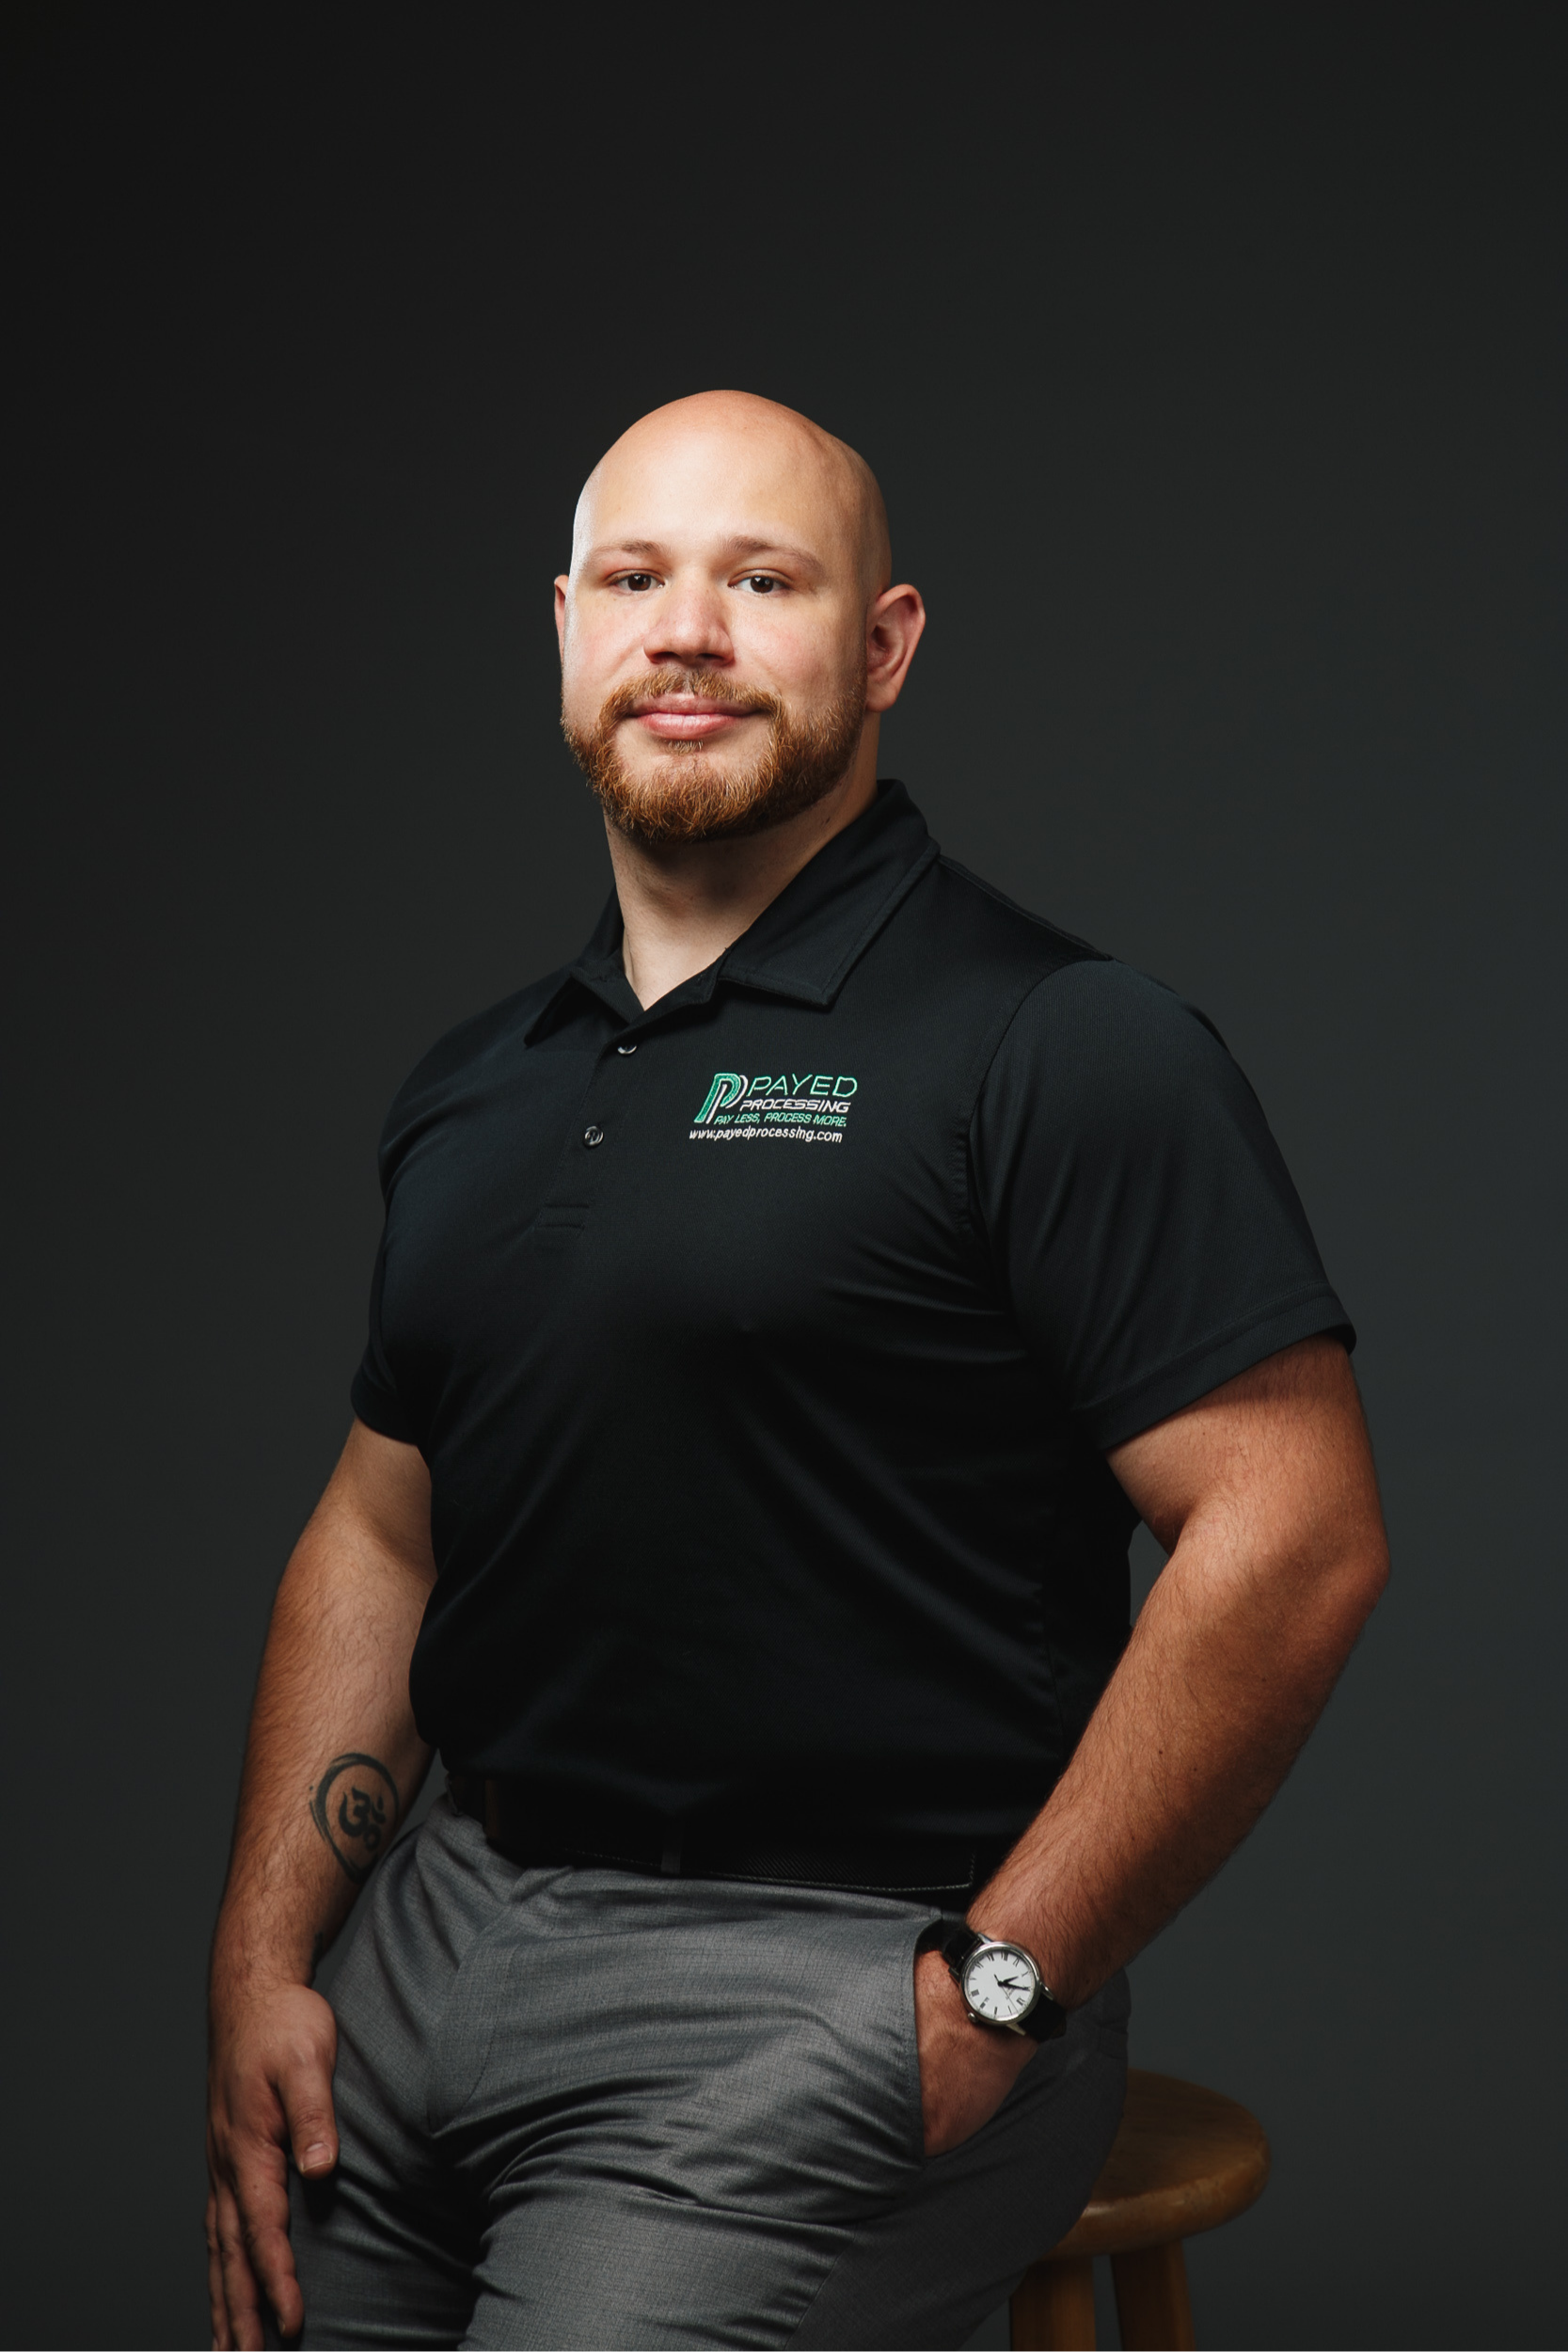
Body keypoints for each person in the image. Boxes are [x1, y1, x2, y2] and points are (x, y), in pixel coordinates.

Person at [205, 390, 1389, 2351]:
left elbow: (1294, 1533)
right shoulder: (472, 1087)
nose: (686, 629)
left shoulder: (1059, 1040)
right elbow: (380, 1530)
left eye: (761, 579)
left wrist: (988, 1993)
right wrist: (261, 1957)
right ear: (568, 628)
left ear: (882, 642)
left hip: (823, 1981)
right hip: (428, 1949)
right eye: (637, 577)